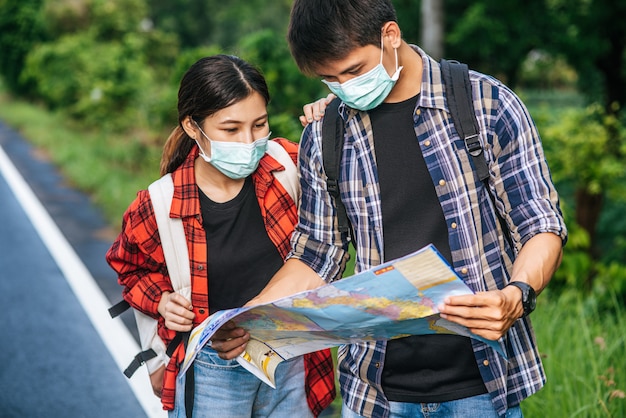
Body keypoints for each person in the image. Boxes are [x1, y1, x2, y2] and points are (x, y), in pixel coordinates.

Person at [211, 1, 568, 417]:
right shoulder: (326, 134)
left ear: (391, 36)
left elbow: (539, 224)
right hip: (376, 391)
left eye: (355, 71)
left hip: (480, 385)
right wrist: (253, 316)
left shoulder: (486, 104)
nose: (344, 88)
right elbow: (316, 253)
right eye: (329, 79)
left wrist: (516, 294)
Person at [105, 54, 335, 417]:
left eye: (259, 124)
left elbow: (345, 193)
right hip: (213, 370)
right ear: (194, 127)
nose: (248, 141)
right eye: (231, 129)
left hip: (289, 357)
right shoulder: (159, 203)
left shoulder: (289, 165)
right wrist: (163, 302)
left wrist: (334, 119)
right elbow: (131, 269)